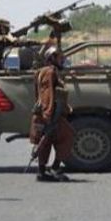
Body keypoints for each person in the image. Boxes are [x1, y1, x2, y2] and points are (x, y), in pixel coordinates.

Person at [30, 46, 75, 182]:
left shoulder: (42, 71)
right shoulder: (50, 72)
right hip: (49, 114)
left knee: (46, 141)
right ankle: (54, 168)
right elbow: (47, 94)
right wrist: (49, 116)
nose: (62, 61)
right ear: (52, 58)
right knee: (67, 135)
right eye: (59, 58)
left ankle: (42, 171)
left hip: (44, 113)